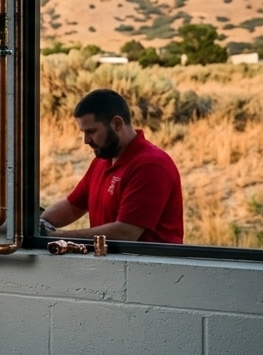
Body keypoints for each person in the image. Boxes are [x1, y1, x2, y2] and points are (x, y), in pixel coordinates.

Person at [41, 88, 184, 243]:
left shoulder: (151, 165)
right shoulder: (102, 161)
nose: (85, 140)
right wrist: (39, 224)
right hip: (114, 264)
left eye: (92, 131)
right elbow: (73, 206)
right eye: (83, 132)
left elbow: (126, 232)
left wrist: (52, 237)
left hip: (148, 266)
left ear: (117, 124)